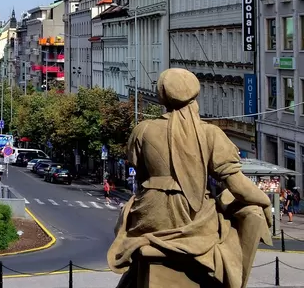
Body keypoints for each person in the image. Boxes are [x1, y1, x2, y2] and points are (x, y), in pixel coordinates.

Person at [107, 68, 273, 288]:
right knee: (229, 228)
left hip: (149, 213)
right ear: (194, 96)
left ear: (162, 97)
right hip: (192, 215)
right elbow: (238, 186)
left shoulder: (143, 130)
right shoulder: (210, 134)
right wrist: (265, 201)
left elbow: (140, 175)